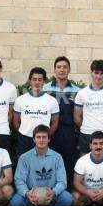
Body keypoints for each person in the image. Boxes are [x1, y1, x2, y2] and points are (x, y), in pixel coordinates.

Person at [10, 125, 73, 206]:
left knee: (67, 198)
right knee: (15, 201)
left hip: (50, 194)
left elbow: (62, 181)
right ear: (34, 139)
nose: (41, 140)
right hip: (31, 195)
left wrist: (54, 192)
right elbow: (19, 180)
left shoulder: (57, 157)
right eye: (38, 137)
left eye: (44, 137)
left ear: (49, 139)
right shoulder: (24, 157)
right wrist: (27, 193)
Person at [43, 56, 81, 187]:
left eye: (65, 67)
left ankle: (67, 189)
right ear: (54, 70)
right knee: (50, 161)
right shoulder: (45, 89)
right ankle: (50, 189)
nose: (62, 69)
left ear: (69, 69)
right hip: (51, 131)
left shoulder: (77, 90)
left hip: (69, 132)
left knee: (68, 161)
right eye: (59, 67)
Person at [13, 67, 59, 156]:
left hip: (43, 140)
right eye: (34, 79)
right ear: (30, 81)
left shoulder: (52, 101)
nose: (37, 82)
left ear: (44, 81)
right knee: (23, 166)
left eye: (40, 79)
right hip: (24, 140)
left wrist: (45, 135)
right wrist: (24, 132)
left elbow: (54, 124)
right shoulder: (20, 100)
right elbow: (15, 122)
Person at [74, 60, 103, 156]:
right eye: (96, 73)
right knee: (84, 164)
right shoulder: (82, 93)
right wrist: (88, 126)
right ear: (91, 73)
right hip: (86, 133)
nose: (99, 76)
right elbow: (77, 117)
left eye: (102, 73)